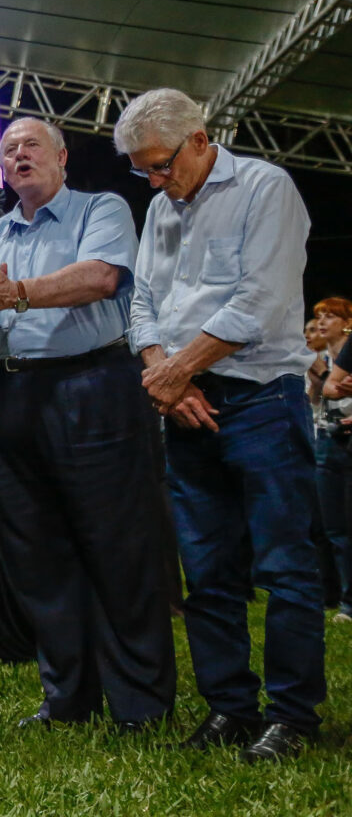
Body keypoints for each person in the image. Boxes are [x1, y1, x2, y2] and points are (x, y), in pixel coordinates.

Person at [117, 88, 324, 761]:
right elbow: (143, 300)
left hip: (262, 398)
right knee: (206, 573)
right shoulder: (159, 206)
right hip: (185, 404)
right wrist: (164, 376)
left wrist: (175, 372)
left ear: (200, 140)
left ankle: (292, 716)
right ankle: (229, 708)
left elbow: (258, 301)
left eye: (161, 165)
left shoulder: (266, 189)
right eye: (143, 170)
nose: (155, 181)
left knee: (285, 566)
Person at [0, 118, 176, 732]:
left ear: (60, 156)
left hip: (92, 387)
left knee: (118, 551)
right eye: (9, 150)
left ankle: (140, 707)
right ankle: (68, 699)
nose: (19, 155)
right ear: (1, 171)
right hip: (11, 395)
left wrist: (12, 293)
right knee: (39, 559)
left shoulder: (100, 208)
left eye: (31, 146)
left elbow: (101, 277)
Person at [306, 298, 352, 623]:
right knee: (332, 526)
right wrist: (326, 382)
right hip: (328, 436)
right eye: (319, 315)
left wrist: (332, 386)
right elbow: (326, 393)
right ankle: (341, 597)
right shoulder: (319, 359)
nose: (322, 321)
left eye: (330, 315)